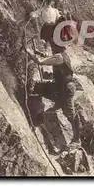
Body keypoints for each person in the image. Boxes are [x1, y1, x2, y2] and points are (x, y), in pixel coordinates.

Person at [23, 16, 81, 149]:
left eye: (51, 43)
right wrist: (37, 51)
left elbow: (41, 62)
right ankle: (40, 114)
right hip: (58, 86)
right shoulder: (60, 54)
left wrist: (28, 51)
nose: (50, 45)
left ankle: (77, 139)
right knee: (38, 87)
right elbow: (48, 57)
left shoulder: (60, 57)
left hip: (66, 89)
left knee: (69, 114)